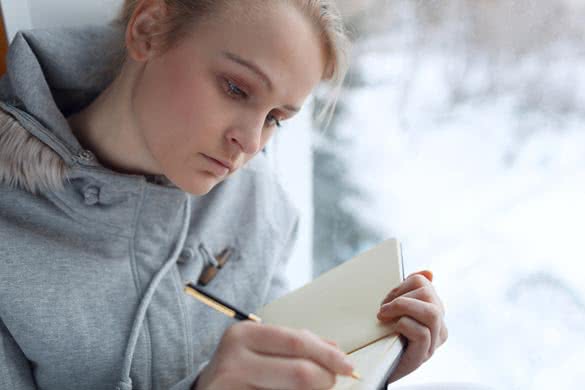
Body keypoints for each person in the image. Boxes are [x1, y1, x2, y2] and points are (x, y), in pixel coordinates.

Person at [0, 0, 448, 389]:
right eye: (236, 88)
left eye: (276, 117)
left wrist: (365, 367)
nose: (251, 144)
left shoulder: (259, 202)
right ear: (148, 31)